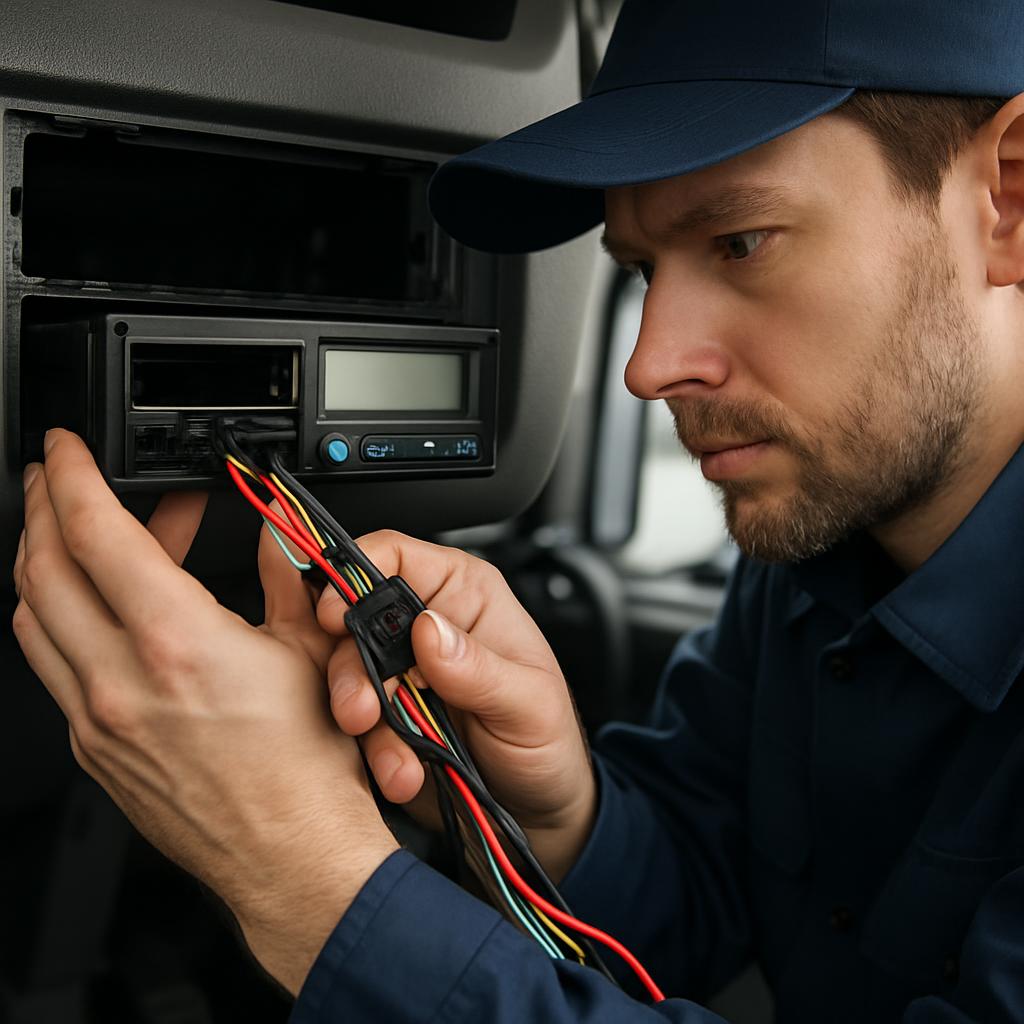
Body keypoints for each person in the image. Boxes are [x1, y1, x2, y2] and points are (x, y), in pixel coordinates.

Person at [11, 0, 1024, 1020]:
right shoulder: (812, 559)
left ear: (1009, 199)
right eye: (638, 271)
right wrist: (548, 808)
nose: (646, 365)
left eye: (740, 241)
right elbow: (696, 910)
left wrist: (307, 879)